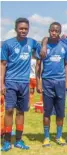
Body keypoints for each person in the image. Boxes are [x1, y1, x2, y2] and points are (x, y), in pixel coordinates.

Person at [1, 17, 40, 152]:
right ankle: (6, 141)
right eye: (21, 28)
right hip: (11, 81)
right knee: (9, 110)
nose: (23, 31)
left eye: (26, 29)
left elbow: (43, 48)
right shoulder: (7, 44)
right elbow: (3, 65)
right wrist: (1, 83)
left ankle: (18, 140)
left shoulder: (32, 42)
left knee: (21, 111)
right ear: (16, 29)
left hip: (24, 83)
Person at [36, 22, 67, 147]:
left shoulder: (64, 46)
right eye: (52, 31)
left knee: (60, 112)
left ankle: (59, 137)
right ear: (49, 31)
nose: (54, 33)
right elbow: (38, 66)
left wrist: (66, 81)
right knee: (47, 111)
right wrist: (39, 83)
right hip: (47, 81)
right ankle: (46, 137)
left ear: (59, 32)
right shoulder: (43, 46)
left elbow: (66, 65)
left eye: (56, 31)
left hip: (60, 82)